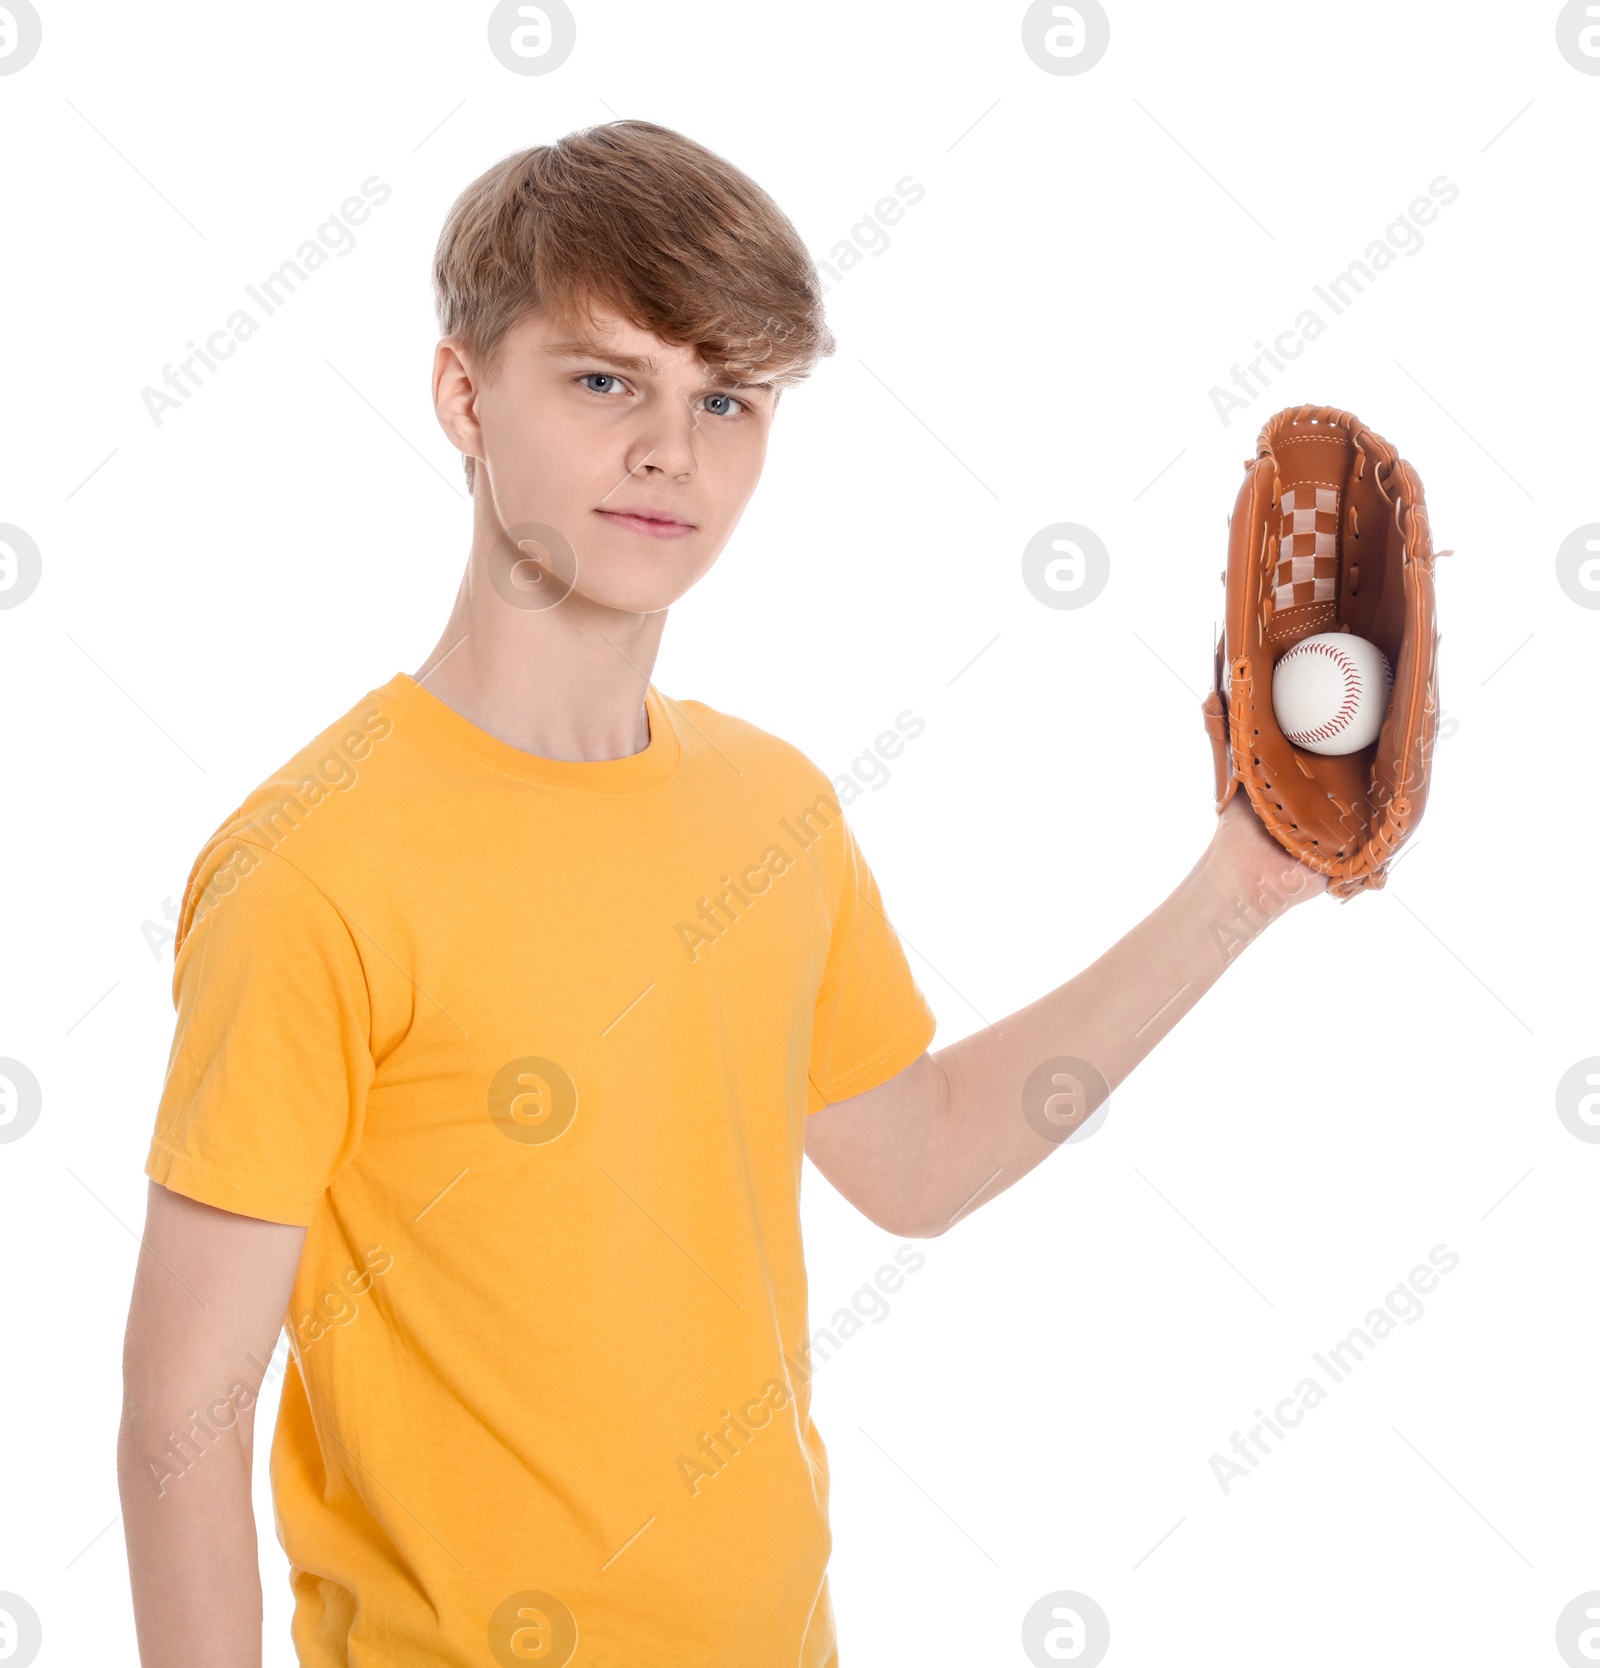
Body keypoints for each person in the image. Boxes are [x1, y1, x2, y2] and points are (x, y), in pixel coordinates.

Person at [118, 119, 1322, 1667]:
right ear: (462, 395)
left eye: (728, 399)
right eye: (607, 379)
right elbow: (178, 1414)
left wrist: (1244, 878)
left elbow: (921, 1159)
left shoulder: (773, 812)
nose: (671, 452)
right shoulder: (314, 867)